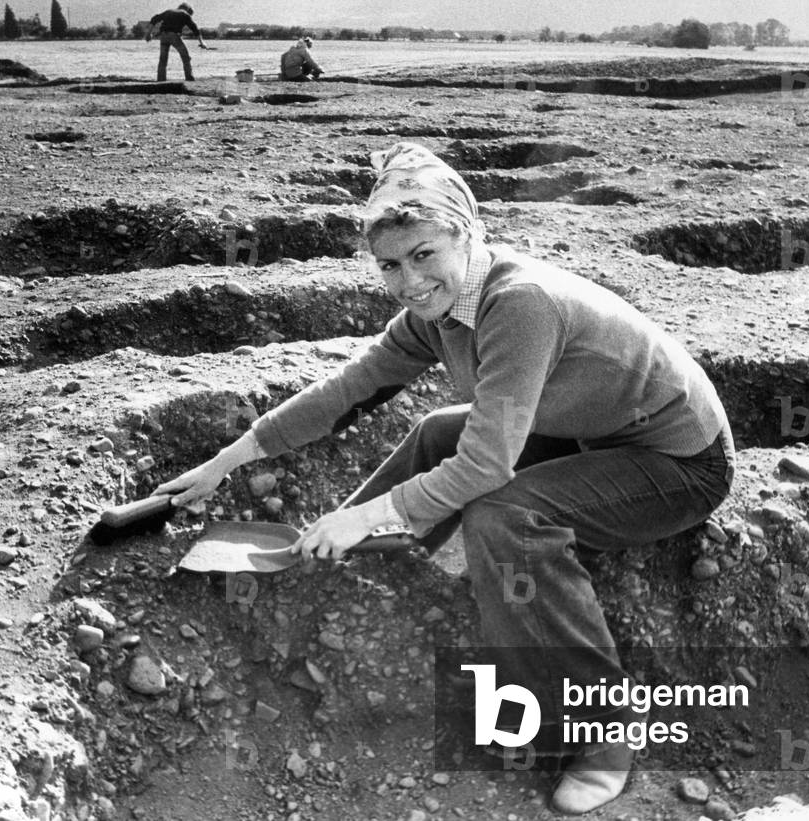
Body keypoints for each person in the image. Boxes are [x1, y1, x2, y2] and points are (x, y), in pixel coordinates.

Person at [155, 142, 735, 815]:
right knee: (437, 432)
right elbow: (348, 390)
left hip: (678, 463)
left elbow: (489, 465)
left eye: (424, 254)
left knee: (505, 516)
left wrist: (368, 513)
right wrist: (225, 461)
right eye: (390, 265)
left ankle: (604, 733)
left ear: (466, 235)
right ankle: (349, 554)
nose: (409, 280)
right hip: (595, 431)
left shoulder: (518, 304)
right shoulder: (434, 314)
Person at [147, 2, 208, 82]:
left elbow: (154, 19)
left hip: (163, 36)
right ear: (188, 10)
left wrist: (148, 34)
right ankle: (189, 78)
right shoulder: (185, 14)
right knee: (185, 56)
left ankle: (161, 79)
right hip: (174, 36)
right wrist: (202, 42)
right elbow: (195, 29)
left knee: (163, 59)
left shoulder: (168, 11)